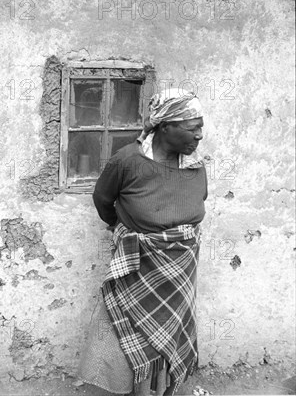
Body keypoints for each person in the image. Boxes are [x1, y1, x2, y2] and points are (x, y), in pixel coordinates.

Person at [78, 89, 207, 396]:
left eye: (201, 127)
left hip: (179, 270)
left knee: (168, 329)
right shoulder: (127, 161)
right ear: (166, 127)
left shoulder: (195, 165)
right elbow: (103, 199)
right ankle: (136, 391)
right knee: (133, 330)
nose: (200, 135)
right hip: (138, 264)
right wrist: (125, 228)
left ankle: (160, 391)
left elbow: (197, 202)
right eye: (193, 128)